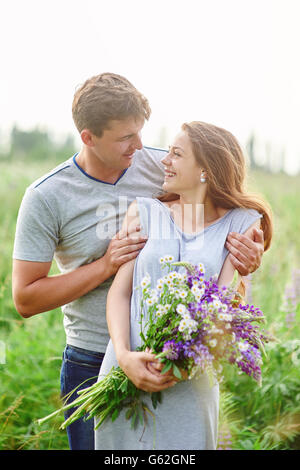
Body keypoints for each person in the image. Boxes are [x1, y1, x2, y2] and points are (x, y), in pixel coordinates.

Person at [12, 73, 264, 450]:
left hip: (172, 353)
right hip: (93, 355)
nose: (141, 146)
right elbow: (25, 298)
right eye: (126, 138)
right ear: (88, 137)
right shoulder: (47, 196)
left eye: (141, 132)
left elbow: (221, 197)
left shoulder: (157, 164)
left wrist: (254, 250)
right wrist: (104, 266)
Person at [94, 121, 273, 450]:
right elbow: (120, 293)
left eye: (176, 154)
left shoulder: (242, 223)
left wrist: (180, 368)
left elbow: (224, 305)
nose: (166, 160)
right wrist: (123, 356)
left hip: (189, 381)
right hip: (126, 367)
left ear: (206, 169)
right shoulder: (145, 212)